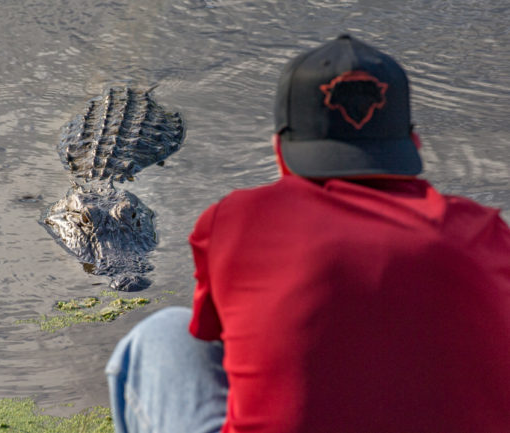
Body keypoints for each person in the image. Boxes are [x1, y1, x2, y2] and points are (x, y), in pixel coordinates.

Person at [105, 34, 510, 433]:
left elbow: (213, 336)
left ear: (279, 151)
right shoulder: (487, 234)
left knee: (164, 335)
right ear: (415, 143)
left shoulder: (235, 220)